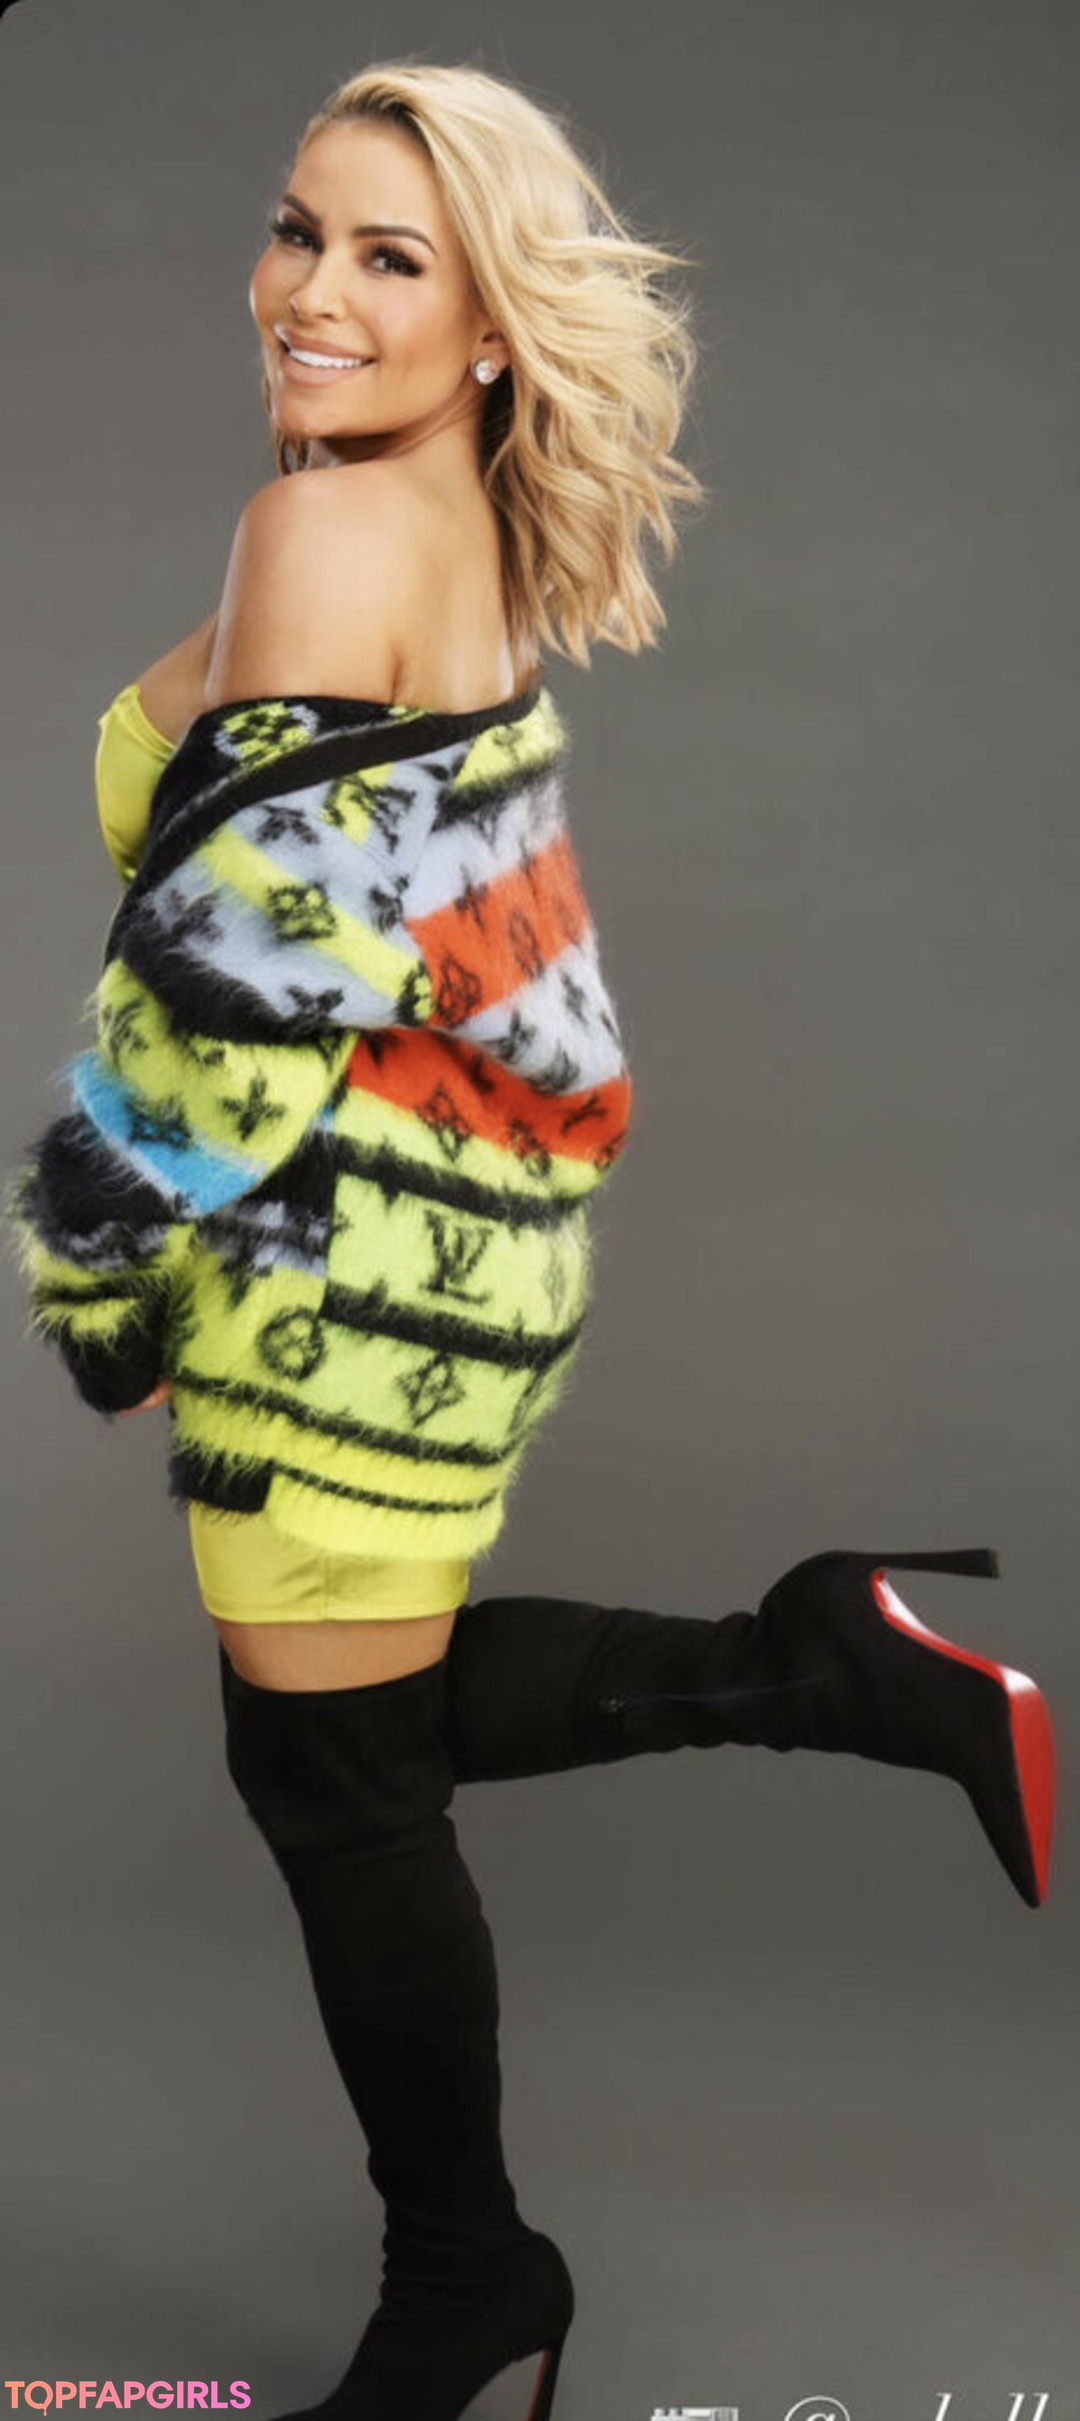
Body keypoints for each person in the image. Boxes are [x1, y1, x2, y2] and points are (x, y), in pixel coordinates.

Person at [5, 59, 1057, 2421]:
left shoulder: (325, 533)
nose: (311, 289)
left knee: (337, 1780)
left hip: (336, 1252)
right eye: (299, 230)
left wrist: (116, 1263)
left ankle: (470, 2279)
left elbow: (240, 968)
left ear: (491, 324)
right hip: (441, 1233)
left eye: (392, 257)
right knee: (345, 1746)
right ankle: (827, 1662)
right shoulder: (405, 514)